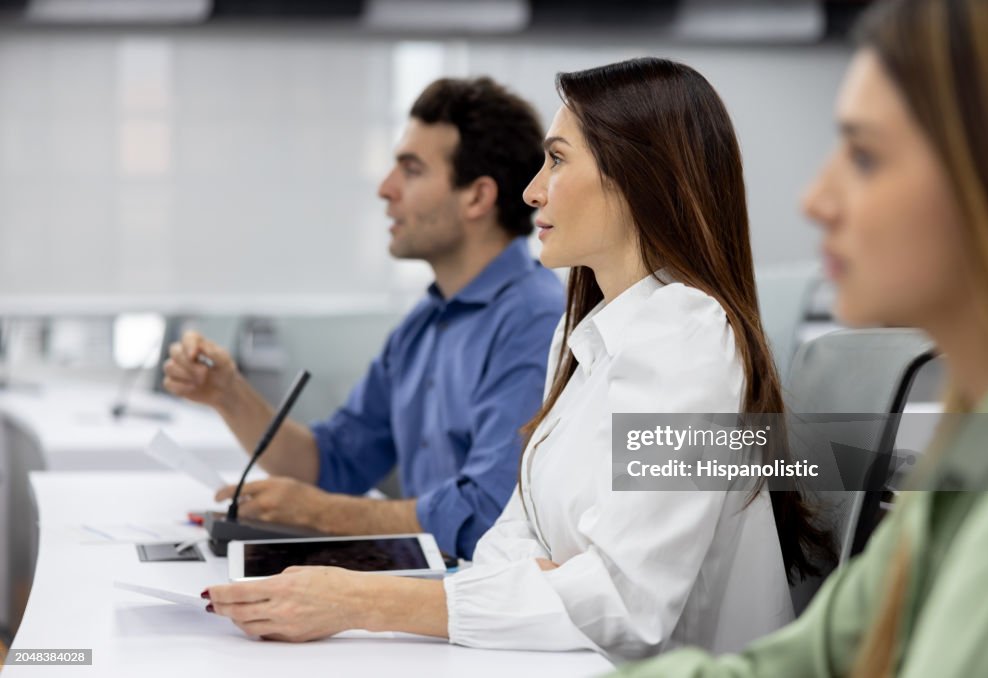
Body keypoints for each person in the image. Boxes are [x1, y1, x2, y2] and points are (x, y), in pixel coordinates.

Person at [202, 57, 832, 661]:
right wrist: (544, 584)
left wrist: (364, 599)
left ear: (638, 178)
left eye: (557, 162)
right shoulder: (583, 337)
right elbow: (516, 533)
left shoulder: (692, 343)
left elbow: (624, 604)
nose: (532, 191)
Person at [614, 0, 988, 676]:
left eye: (864, 156)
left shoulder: (688, 332)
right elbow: (808, 661)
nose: (814, 198)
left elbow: (627, 587)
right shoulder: (965, 458)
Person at [163, 77, 565, 560]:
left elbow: (491, 514)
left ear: (476, 198)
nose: (385, 189)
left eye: (411, 170)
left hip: (480, 605)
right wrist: (228, 395)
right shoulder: (425, 322)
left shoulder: (534, 321)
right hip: (433, 586)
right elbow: (331, 463)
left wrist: (326, 513)